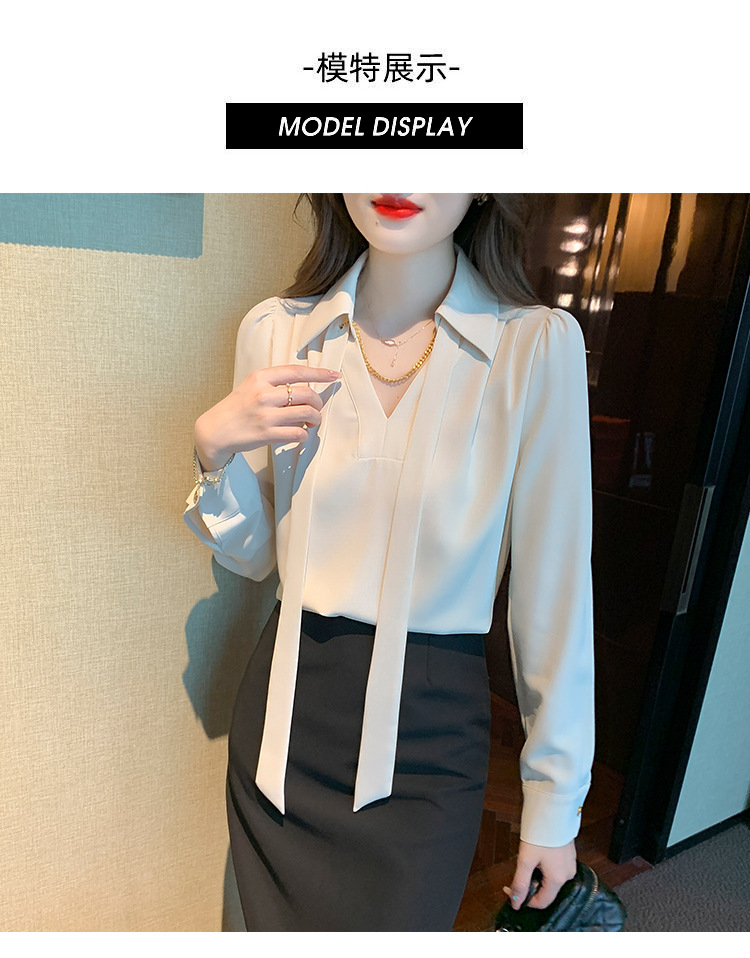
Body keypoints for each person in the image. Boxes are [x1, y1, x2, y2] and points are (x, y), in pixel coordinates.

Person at [183, 193, 595, 932]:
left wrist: (554, 802)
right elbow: (254, 556)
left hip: (430, 736)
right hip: (285, 720)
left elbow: (554, 596)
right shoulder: (278, 331)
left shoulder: (533, 348)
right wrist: (214, 454)